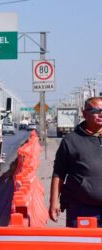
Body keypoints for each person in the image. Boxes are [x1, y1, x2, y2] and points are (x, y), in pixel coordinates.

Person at [49, 97, 102, 227]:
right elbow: (59, 174)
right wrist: (54, 202)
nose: (101, 114)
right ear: (84, 113)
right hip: (82, 209)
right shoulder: (71, 140)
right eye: (96, 110)